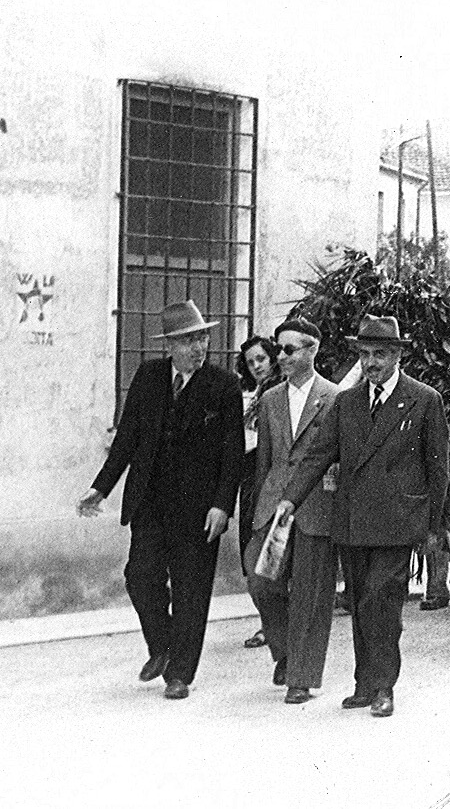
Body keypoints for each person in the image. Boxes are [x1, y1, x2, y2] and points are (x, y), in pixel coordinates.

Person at [78, 300, 243, 700]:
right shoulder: (148, 377)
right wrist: (101, 487)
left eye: (202, 338)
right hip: (150, 503)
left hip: (200, 509)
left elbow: (233, 452)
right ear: (169, 345)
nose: (198, 347)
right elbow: (127, 437)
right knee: (140, 577)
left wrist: (223, 505)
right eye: (188, 340)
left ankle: (180, 674)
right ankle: (162, 646)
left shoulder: (223, 385)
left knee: (191, 590)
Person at [319, 315, 450, 717]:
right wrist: (290, 499)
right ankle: (364, 682)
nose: (371, 362)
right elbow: (319, 455)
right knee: (361, 601)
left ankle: (383, 685)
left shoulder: (424, 399)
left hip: (399, 521)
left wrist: (433, 526)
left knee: (382, 599)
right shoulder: (347, 402)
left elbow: (438, 468)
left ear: (396, 356)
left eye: (379, 354)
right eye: (364, 354)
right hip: (354, 519)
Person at [246, 317, 341, 704]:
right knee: (261, 581)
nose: (281, 356)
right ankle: (285, 652)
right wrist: (259, 510)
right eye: (278, 349)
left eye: (289, 349)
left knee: (311, 594)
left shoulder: (335, 397)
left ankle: (301, 678)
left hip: (317, 506)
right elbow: (265, 462)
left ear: (311, 350)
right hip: (275, 509)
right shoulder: (270, 399)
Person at [237, 335, 283, 649]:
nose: (256, 366)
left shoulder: (278, 391)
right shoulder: (250, 393)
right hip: (248, 476)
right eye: (250, 362)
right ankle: (269, 622)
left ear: (273, 358)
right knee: (251, 548)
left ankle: (273, 625)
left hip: (266, 475)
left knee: (267, 551)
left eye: (261, 359)